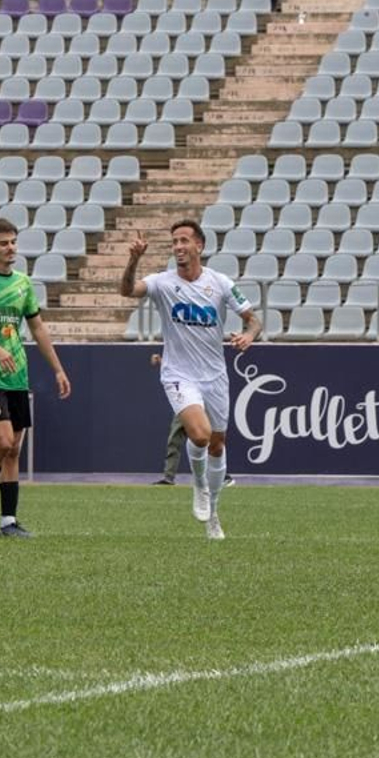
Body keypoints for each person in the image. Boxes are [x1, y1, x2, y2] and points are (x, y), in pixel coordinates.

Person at [120, 220, 260, 539]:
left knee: (218, 442)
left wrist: (249, 336)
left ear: (199, 246)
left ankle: (213, 515)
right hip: (179, 374)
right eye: (174, 242)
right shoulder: (163, 283)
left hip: (215, 375)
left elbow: (253, 320)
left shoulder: (220, 283)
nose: (179, 247)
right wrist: (134, 260)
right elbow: (128, 290)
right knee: (200, 435)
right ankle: (199, 485)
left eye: (185, 240)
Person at [0, 218, 72, 537]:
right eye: (4, 243)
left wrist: (58, 369)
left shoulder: (23, 283)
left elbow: (37, 328)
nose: (11, 248)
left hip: (17, 374)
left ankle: (8, 521)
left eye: (13, 242)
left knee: (14, 448)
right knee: (2, 441)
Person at [150, 352, 234, 488]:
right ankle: (168, 477)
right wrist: (161, 360)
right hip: (185, 397)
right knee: (175, 439)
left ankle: (221, 476)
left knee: (208, 438)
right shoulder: (178, 343)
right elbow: (174, 367)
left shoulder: (201, 347)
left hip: (203, 397)